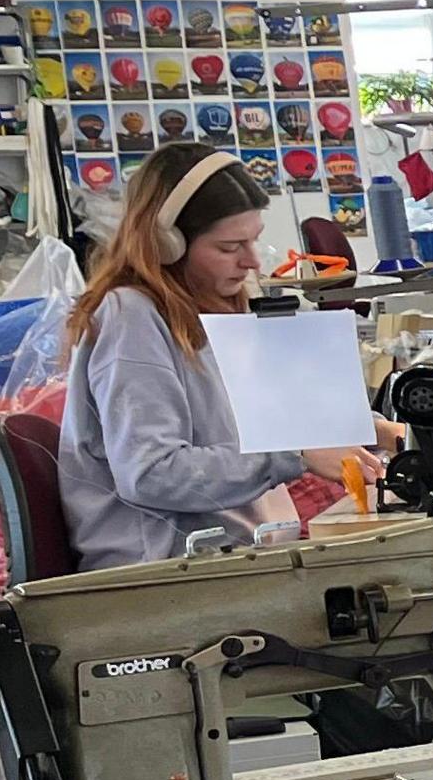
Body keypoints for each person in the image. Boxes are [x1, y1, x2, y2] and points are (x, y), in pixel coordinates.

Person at [59, 143, 386, 570]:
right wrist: (296, 456)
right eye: (230, 247)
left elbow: (284, 416)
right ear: (168, 244)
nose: (251, 262)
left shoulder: (213, 306)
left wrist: (377, 430)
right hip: (161, 572)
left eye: (253, 240)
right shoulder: (130, 317)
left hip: (234, 552)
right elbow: (151, 472)